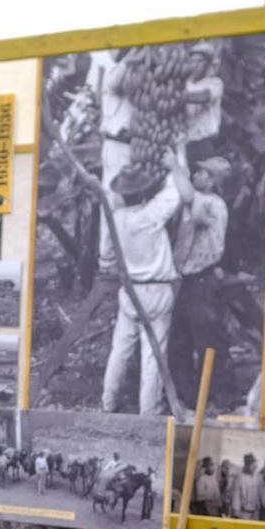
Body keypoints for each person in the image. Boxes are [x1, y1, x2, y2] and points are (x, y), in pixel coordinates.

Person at [99, 158, 184, 416]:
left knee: (120, 350)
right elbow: (175, 193)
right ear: (145, 193)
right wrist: (174, 164)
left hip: (130, 292)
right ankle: (149, 412)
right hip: (156, 291)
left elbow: (106, 256)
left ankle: (107, 403)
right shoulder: (151, 214)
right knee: (152, 354)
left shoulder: (115, 220)